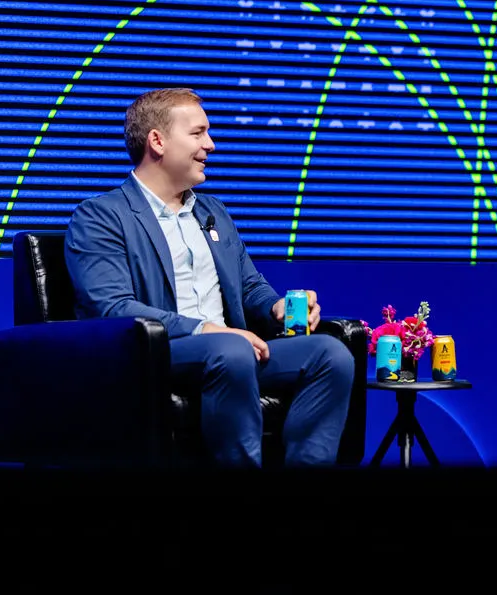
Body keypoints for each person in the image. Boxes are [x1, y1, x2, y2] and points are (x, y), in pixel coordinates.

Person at [64, 87, 355, 468]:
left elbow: (249, 286)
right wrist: (208, 331)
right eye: (198, 133)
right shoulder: (101, 216)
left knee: (330, 354)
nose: (211, 145)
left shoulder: (212, 212)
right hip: (157, 355)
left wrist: (276, 307)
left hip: (230, 351)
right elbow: (113, 308)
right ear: (158, 141)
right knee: (230, 349)